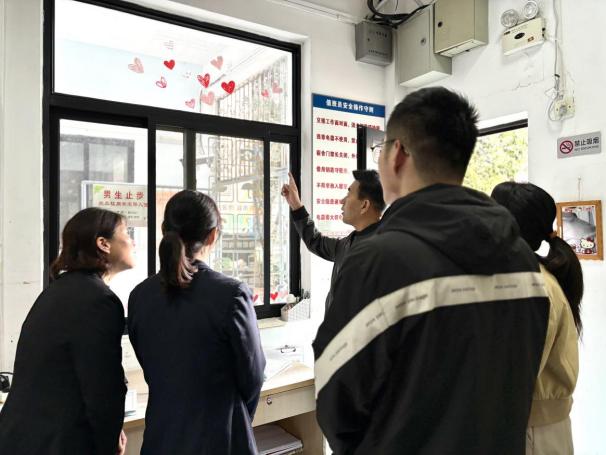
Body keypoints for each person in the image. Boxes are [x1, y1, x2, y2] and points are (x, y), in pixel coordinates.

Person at [312, 87, 550, 455]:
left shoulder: (377, 262)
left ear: (397, 154)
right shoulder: (522, 259)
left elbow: (335, 403)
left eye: (380, 151)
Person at [128, 190, 265, 455]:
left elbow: (151, 367)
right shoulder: (231, 294)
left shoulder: (139, 296)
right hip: (220, 439)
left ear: (164, 230)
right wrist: (237, 418)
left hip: (161, 438)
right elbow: (253, 376)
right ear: (212, 236)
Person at [0, 208, 133, 455]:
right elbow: (102, 386)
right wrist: (109, 435)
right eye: (126, 233)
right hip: (59, 441)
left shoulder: (57, 291)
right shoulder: (98, 300)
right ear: (103, 244)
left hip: (23, 436)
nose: (132, 241)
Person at [491, 182, 582, 455]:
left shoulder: (531, 286)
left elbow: (514, 375)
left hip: (529, 433)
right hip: (532, 429)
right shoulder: (530, 279)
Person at [281, 170, 385, 310]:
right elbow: (315, 241)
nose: (342, 201)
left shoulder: (383, 251)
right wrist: (296, 205)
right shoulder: (347, 243)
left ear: (364, 205)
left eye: (349, 194)